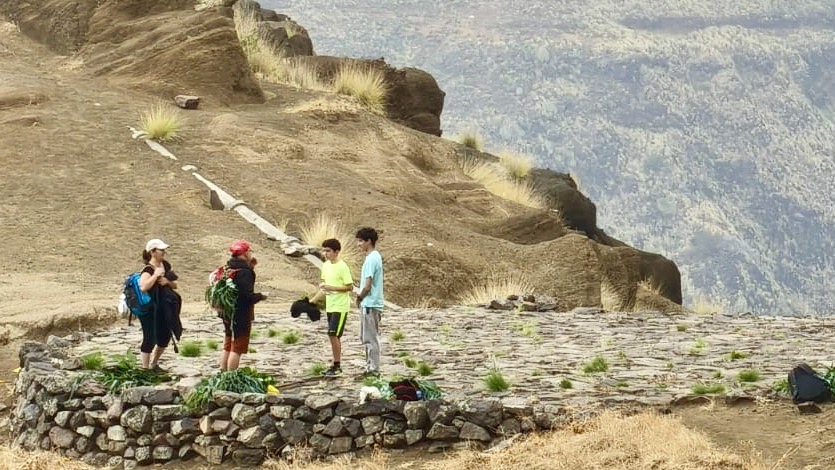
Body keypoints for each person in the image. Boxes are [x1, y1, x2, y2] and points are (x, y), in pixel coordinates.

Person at [220, 240, 267, 371]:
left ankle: (223, 371)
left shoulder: (228, 267)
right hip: (240, 314)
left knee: (228, 343)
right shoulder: (244, 272)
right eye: (250, 251)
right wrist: (261, 296)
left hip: (227, 312)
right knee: (237, 347)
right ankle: (231, 376)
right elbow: (247, 296)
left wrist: (251, 267)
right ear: (245, 253)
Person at [310, 238, 354, 376]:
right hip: (330, 305)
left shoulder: (343, 267)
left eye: (328, 251)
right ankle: (335, 364)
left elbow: (350, 287)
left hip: (340, 307)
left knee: (332, 334)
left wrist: (332, 287)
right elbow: (324, 288)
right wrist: (312, 301)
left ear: (336, 252)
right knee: (334, 336)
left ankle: (337, 365)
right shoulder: (326, 266)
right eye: (324, 250)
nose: (325, 253)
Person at [138, 238, 181, 371]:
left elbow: (175, 286)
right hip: (151, 309)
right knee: (149, 337)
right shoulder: (148, 270)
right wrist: (155, 276)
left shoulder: (166, 266)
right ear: (152, 252)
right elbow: (143, 287)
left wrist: (168, 282)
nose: (164, 252)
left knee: (165, 337)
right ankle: (145, 369)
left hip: (165, 309)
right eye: (161, 250)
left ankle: (154, 364)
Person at [356, 227, 384, 378]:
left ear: (369, 241)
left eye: (360, 241)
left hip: (369, 304)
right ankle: (371, 368)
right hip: (374, 303)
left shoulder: (371, 259)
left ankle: (372, 370)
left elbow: (367, 285)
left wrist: (359, 297)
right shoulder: (376, 257)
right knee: (369, 337)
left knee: (369, 338)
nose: (358, 244)